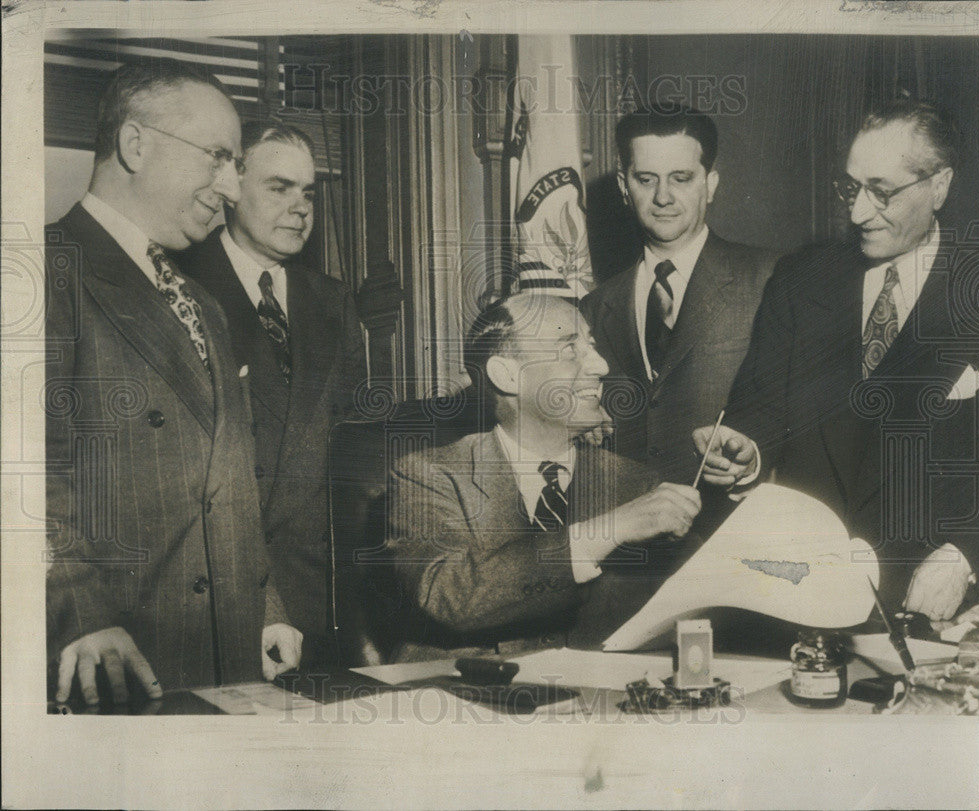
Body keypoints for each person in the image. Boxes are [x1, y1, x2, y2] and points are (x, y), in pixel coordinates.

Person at [45, 59, 301, 706]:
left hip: (225, 652)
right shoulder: (43, 270)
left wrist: (263, 601)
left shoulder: (202, 302)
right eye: (217, 157)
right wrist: (78, 610)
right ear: (136, 144)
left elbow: (230, 474)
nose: (230, 187)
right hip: (115, 661)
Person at [694, 99, 979, 619]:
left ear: (939, 186)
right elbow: (755, 414)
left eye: (881, 192)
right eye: (851, 187)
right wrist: (744, 456)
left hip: (930, 603)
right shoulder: (800, 280)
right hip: (802, 596)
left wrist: (969, 554)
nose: (857, 212)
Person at [386, 293, 702, 661]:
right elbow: (449, 596)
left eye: (593, 347)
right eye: (570, 350)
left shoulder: (637, 485)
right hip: (460, 699)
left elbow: (696, 605)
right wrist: (608, 530)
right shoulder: (428, 476)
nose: (600, 366)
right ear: (508, 375)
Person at [179, 122, 366, 653]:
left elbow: (351, 443)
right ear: (232, 188)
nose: (302, 207)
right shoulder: (180, 284)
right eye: (279, 188)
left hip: (321, 596)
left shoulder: (332, 299)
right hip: (221, 590)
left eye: (308, 192)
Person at [581, 104, 777, 484]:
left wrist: (753, 461)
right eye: (646, 179)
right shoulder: (593, 307)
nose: (663, 197)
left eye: (681, 178)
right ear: (624, 186)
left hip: (732, 529)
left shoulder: (770, 279)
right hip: (627, 532)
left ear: (711, 184)